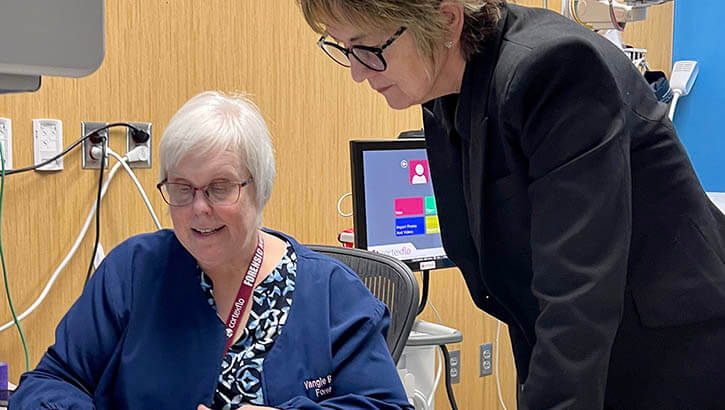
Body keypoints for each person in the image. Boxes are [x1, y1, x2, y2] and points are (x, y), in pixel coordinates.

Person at [296, 1, 725, 409]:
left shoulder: (554, 70)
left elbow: (578, 299)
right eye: (344, 49)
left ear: (446, 21)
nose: (356, 71)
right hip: (581, 351)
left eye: (369, 48)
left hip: (670, 357)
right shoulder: (444, 92)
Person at [10, 91, 413, 409]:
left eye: (220, 188)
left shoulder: (331, 292)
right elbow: (51, 381)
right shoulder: (134, 271)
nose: (199, 209)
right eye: (182, 188)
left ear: (260, 188)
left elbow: (385, 406)